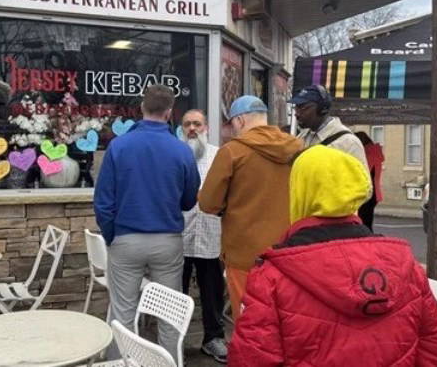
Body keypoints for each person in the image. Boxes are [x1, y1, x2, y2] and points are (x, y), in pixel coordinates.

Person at [228, 146, 437, 367]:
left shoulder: (271, 277)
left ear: (298, 192)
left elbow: (251, 358)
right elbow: (436, 343)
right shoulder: (405, 266)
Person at [94, 85, 201, 361]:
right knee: (169, 316)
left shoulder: (119, 146)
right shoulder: (182, 151)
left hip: (126, 239)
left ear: (142, 108)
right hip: (167, 241)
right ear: (169, 113)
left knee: (122, 315)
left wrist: (112, 236)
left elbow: (103, 201)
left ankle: (120, 363)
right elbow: (189, 200)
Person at [198, 95, 302, 322]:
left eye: (232, 123)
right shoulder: (297, 148)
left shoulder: (232, 152)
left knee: (249, 323)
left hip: (244, 254)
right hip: (288, 252)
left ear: (241, 121)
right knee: (283, 320)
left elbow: (208, 203)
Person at [178, 109, 227, 363]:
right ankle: (174, 342)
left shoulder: (219, 156)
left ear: (206, 127)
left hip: (211, 235)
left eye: (197, 124)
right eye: (187, 124)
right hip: (179, 235)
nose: (192, 129)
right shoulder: (174, 155)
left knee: (213, 291)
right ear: (181, 128)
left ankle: (213, 339)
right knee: (177, 292)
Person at [289, 85, 368, 169]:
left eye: (303, 108)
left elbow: (361, 176)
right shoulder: (302, 137)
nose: (297, 114)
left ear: (322, 109)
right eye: (296, 108)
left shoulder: (349, 143)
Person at [355, 131, 385, 231]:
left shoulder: (368, 153)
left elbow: (363, 171)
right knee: (367, 220)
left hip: (368, 192)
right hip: (374, 193)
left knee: (364, 222)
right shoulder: (375, 152)